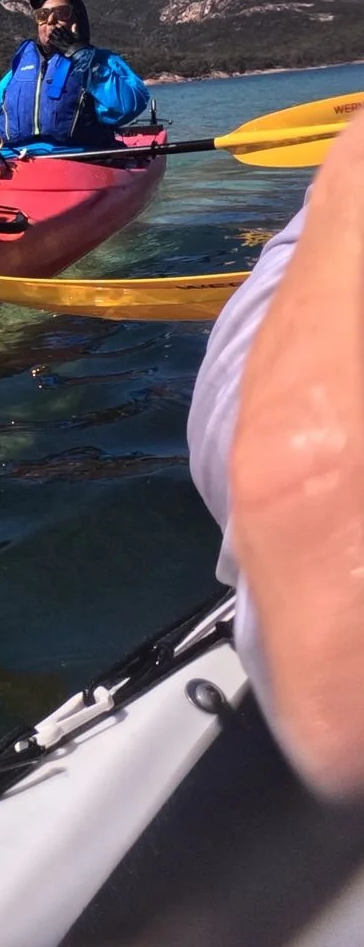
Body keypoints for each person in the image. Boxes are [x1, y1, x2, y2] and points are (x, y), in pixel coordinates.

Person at [189, 117, 364, 799]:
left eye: (65, 12)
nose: (56, 23)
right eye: (47, 14)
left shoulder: (101, 71)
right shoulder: (22, 72)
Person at [0, 0, 150, 152]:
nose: (51, 20)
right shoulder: (16, 73)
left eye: (62, 13)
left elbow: (128, 106)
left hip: (81, 159)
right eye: (42, 15)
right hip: (18, 162)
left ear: (78, 22)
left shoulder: (102, 61)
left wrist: (80, 55)